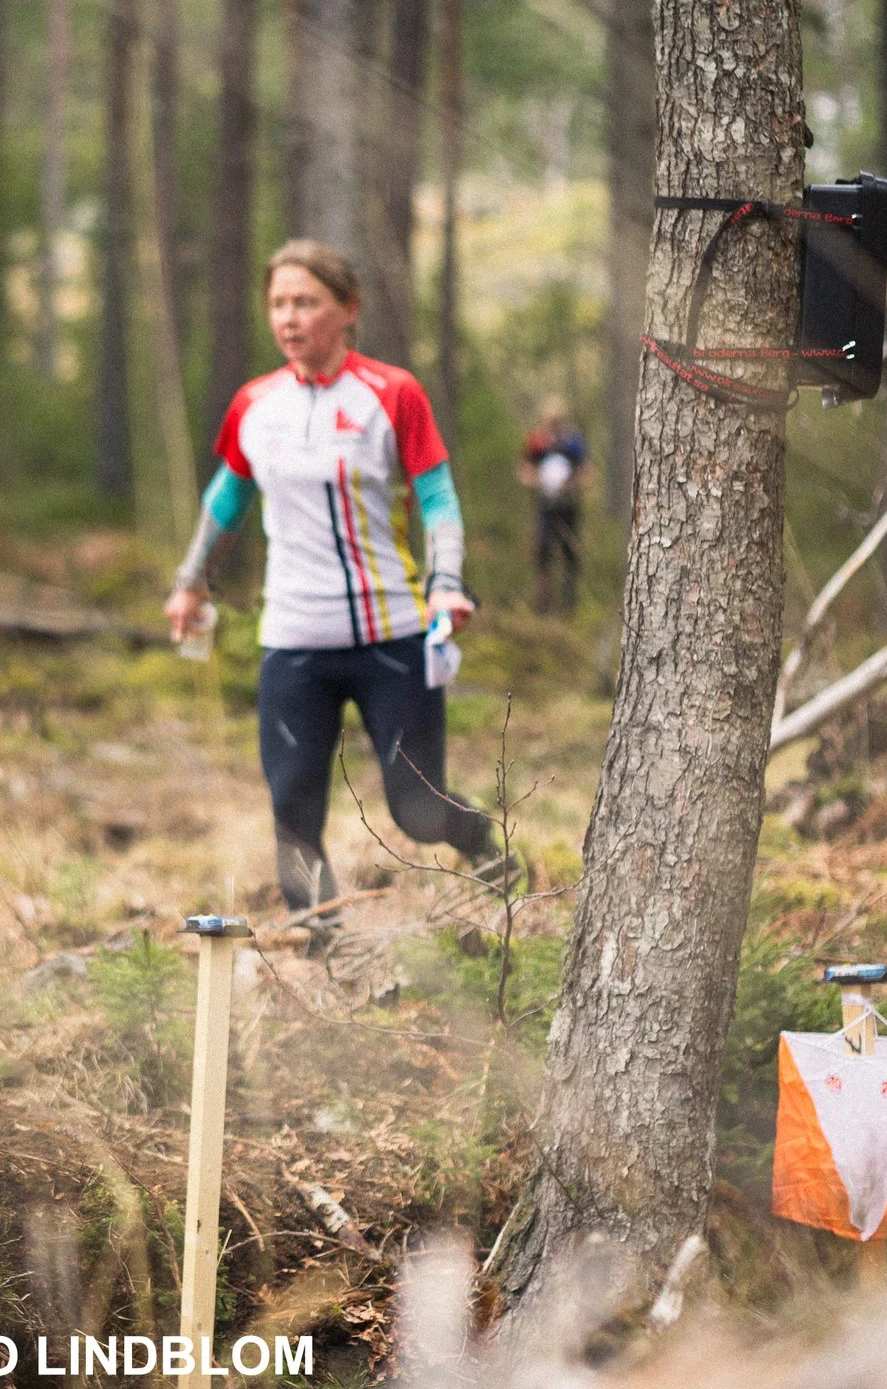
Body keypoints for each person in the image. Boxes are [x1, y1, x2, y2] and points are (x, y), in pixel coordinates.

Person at [163, 240, 497, 941]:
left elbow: (438, 499)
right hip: (293, 641)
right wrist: (190, 584)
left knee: (417, 810)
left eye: (306, 302)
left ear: (348, 310)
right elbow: (225, 500)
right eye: (279, 303)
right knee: (293, 805)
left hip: (392, 637)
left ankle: (485, 848)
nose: (290, 317)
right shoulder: (256, 404)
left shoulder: (391, 393)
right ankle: (322, 942)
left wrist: (446, 584)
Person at [517, 396, 590, 615]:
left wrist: (570, 484)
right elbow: (523, 469)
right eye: (551, 421)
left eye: (558, 421)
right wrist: (538, 480)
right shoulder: (537, 442)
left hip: (568, 506)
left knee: (570, 554)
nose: (555, 425)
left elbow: (588, 472)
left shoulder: (574, 442)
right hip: (545, 506)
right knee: (543, 554)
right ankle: (542, 606)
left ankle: (569, 607)